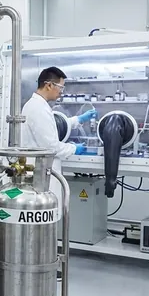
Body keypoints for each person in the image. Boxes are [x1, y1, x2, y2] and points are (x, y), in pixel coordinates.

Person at [21, 66, 96, 280]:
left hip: (42, 172)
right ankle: (44, 267)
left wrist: (78, 120)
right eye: (60, 87)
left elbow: (54, 127)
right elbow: (52, 146)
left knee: (46, 221)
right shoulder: (38, 109)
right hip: (42, 174)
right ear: (48, 85)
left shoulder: (38, 106)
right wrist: (74, 148)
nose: (61, 92)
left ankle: (44, 263)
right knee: (45, 222)